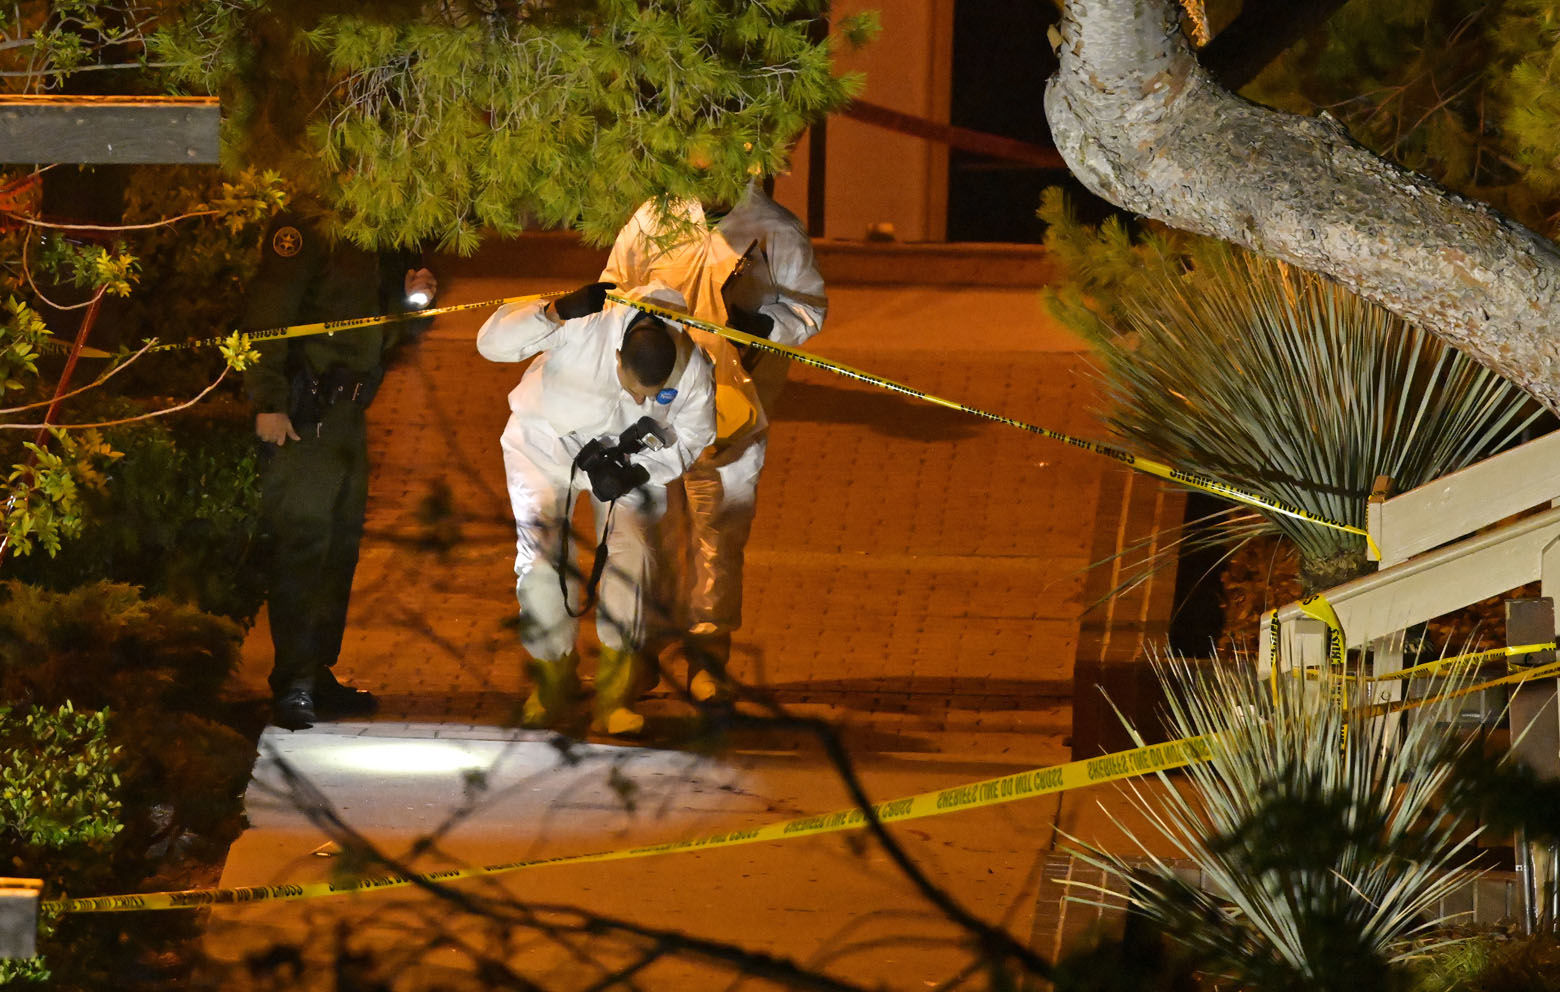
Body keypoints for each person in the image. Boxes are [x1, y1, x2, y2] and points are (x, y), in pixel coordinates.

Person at [601, 179, 827, 702]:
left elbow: (810, 308)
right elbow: (612, 286)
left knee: (718, 536)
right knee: (646, 534)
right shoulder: (654, 217)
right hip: (655, 407)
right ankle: (642, 654)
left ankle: (707, 659)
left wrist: (761, 325)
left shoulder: (775, 230)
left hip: (731, 409)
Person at [477, 280, 716, 735]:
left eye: (653, 395)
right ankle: (551, 681)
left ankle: (614, 695)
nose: (642, 402)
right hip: (544, 445)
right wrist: (551, 312)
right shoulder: (586, 323)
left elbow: (692, 438)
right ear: (618, 358)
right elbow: (491, 344)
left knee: (634, 560)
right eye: (636, 390)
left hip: (627, 462)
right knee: (543, 560)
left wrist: (639, 472)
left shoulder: (692, 365)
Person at [244, 209, 437, 731]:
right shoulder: (308, 224)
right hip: (305, 412)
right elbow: (267, 314)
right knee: (304, 546)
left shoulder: (384, 227)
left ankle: (316, 670)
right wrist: (268, 400)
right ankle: (293, 681)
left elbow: (392, 325)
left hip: (349, 413)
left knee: (339, 549)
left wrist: (415, 301)